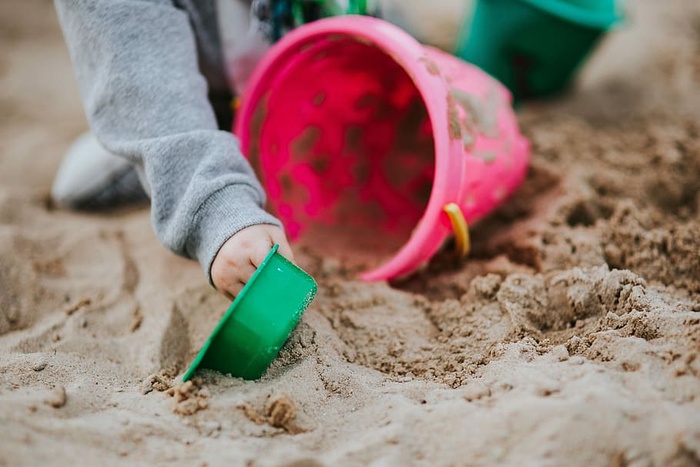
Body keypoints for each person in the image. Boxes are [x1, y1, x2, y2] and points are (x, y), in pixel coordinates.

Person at [52, 0, 299, 301]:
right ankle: (140, 141)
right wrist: (216, 207)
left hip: (312, 90)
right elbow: (137, 64)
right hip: (193, 102)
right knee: (75, 186)